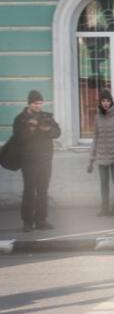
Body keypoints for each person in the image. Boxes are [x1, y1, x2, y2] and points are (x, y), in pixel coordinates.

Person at [14, 90, 60, 232]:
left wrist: (48, 129)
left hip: (45, 159)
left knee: (43, 191)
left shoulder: (46, 117)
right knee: (29, 190)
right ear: (29, 103)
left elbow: (57, 133)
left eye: (40, 103)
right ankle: (27, 222)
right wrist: (31, 128)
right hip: (28, 161)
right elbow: (18, 139)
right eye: (35, 103)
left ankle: (41, 221)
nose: (38, 106)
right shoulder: (20, 119)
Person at [88, 90, 114, 217]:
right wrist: (92, 156)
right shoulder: (97, 117)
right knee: (103, 184)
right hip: (101, 155)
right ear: (100, 102)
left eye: (108, 100)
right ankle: (105, 208)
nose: (106, 103)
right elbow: (95, 137)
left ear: (111, 101)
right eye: (103, 101)